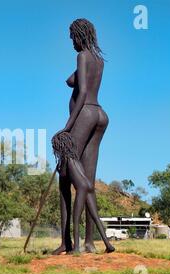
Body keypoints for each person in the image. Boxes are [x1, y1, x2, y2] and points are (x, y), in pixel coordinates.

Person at [52, 18, 115, 254]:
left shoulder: (82, 56)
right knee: (88, 181)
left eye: (72, 37)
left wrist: (67, 127)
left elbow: (83, 92)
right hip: (101, 115)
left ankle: (67, 242)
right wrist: (72, 79)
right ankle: (89, 243)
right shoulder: (98, 60)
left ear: (79, 35)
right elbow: (74, 80)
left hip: (86, 112)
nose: (71, 42)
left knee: (65, 175)